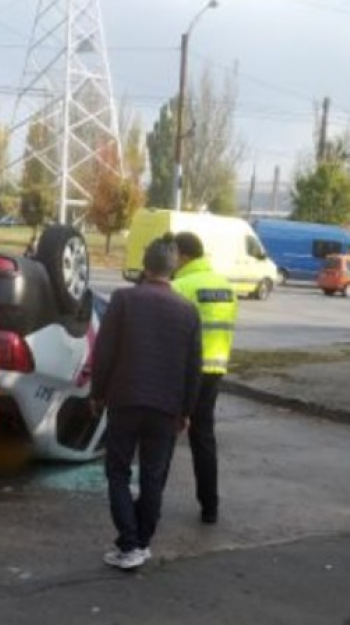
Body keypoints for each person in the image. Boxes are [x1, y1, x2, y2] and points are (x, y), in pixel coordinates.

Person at [91, 234, 202, 571]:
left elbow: (104, 352)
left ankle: (129, 543)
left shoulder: (124, 300)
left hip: (124, 400)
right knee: (153, 476)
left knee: (118, 472)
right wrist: (187, 410)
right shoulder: (188, 311)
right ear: (173, 269)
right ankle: (141, 541)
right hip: (166, 407)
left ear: (145, 265)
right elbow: (192, 367)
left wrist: (97, 394)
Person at [172, 231, 238, 525]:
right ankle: (210, 507)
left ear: (183, 255)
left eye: (174, 254)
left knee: (163, 438)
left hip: (184, 373)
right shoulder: (226, 288)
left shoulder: (180, 286)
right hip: (214, 372)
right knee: (204, 439)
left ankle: (149, 504)